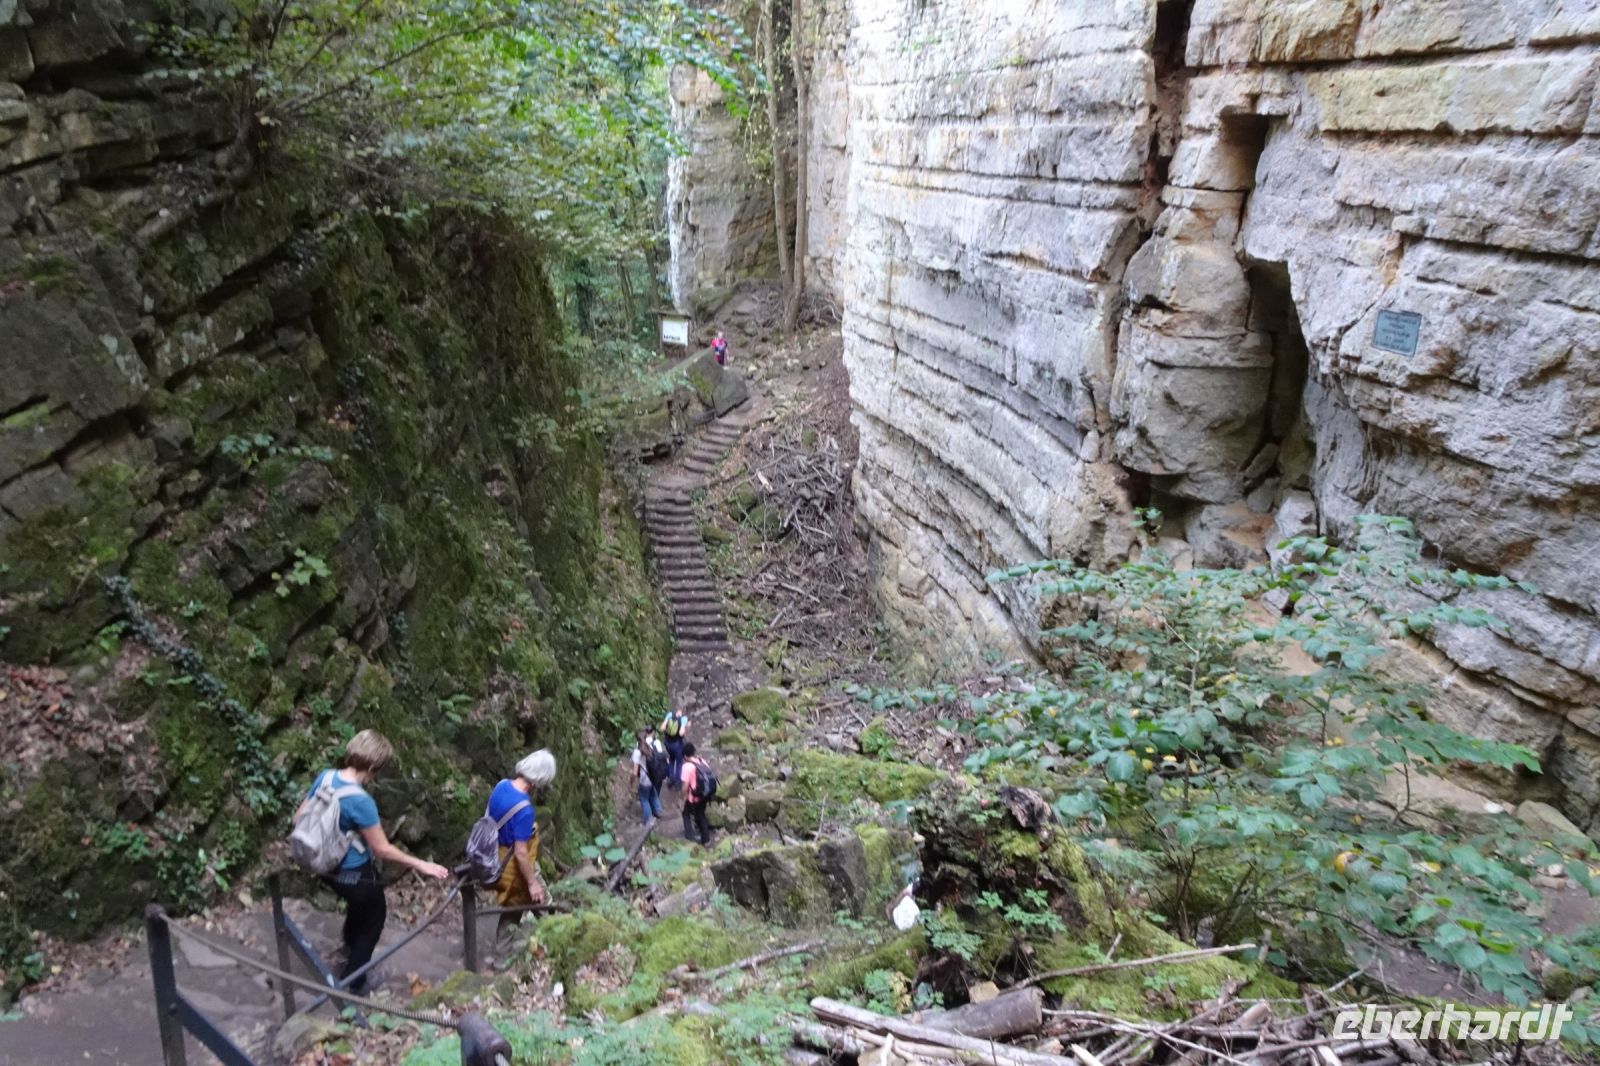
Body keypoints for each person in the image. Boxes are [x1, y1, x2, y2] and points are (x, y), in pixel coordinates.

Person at [296, 730, 449, 992]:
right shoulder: (360, 800)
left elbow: (299, 817)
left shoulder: (326, 777)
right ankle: (354, 983)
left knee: (360, 909)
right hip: (352, 874)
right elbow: (382, 849)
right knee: (374, 917)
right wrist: (421, 864)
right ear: (373, 766)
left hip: (323, 867)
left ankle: (348, 947)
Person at [487, 750, 556, 919]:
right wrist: (532, 883)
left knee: (512, 911)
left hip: (494, 857)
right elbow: (521, 852)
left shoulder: (501, 785)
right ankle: (553, 940)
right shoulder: (524, 809)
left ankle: (503, 944)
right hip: (511, 867)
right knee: (544, 905)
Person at [680, 742, 712, 846]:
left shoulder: (686, 767)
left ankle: (691, 836)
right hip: (705, 793)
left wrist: (682, 799)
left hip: (694, 796)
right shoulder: (702, 761)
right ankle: (705, 838)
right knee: (700, 814)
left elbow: (685, 786)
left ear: (685, 756)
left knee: (686, 813)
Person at [632, 730, 665, 826]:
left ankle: (649, 820)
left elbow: (634, 772)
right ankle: (658, 811)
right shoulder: (651, 747)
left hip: (644, 779)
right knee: (653, 793)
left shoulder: (637, 752)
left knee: (644, 799)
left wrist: (631, 781)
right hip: (653, 776)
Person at [659, 706, 689, 790]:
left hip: (668, 744)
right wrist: (684, 727)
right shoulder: (683, 719)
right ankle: (677, 783)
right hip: (677, 745)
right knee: (679, 763)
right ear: (682, 712)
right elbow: (681, 733)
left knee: (671, 760)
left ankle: (670, 779)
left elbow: (662, 728)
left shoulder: (669, 715)